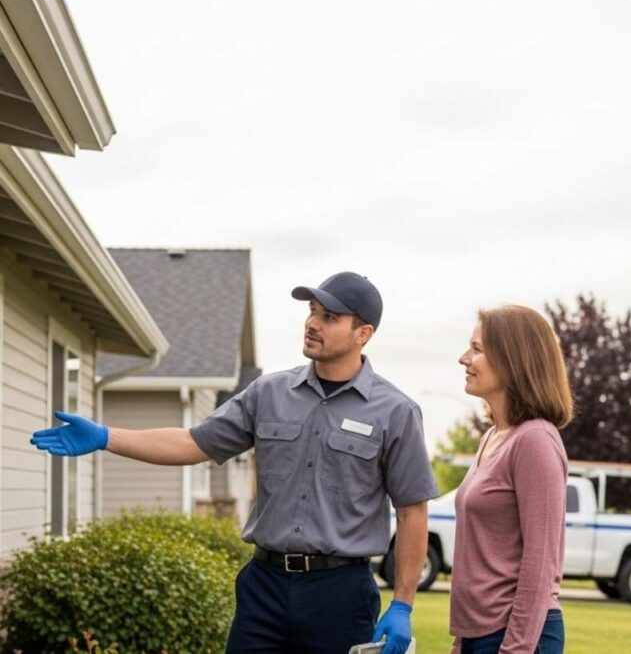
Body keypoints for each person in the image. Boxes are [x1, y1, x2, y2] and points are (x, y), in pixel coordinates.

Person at [30, 271, 438, 654]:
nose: (313, 323)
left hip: (340, 592)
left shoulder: (395, 411)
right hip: (264, 586)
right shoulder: (269, 393)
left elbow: (412, 511)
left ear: (362, 334)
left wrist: (402, 604)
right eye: (312, 312)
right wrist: (105, 436)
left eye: (329, 317)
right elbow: (194, 443)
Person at [450, 305, 573, 654]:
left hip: (516, 636)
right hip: (480, 633)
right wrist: (461, 642)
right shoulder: (493, 437)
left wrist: (515, 648)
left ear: (512, 359)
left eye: (477, 349)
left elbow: (541, 561)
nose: (464, 358)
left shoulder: (535, 440)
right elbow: (483, 554)